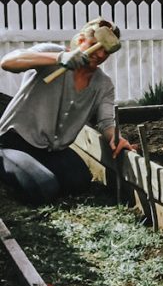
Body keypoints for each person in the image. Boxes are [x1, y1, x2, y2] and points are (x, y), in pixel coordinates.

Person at [0, 17, 134, 205]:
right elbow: (8, 62)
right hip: (15, 141)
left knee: (80, 182)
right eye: (95, 45)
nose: (101, 54)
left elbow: (105, 122)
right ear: (80, 41)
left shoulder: (103, 84)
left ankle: (33, 171)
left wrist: (115, 137)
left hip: (53, 150)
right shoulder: (52, 54)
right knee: (45, 187)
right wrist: (58, 58)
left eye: (106, 50)